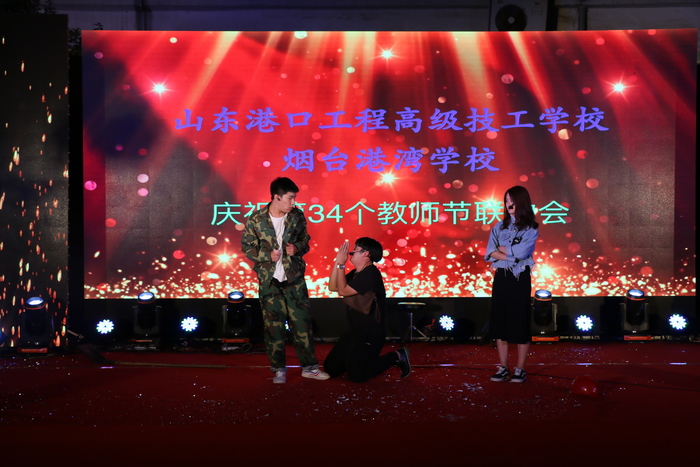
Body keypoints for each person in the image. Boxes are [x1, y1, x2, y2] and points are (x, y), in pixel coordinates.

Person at [241, 177, 329, 384]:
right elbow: (247, 247)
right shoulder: (256, 219)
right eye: (290, 198)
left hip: (294, 278)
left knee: (302, 324)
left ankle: (310, 368)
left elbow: (305, 241)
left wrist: (297, 248)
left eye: (294, 198)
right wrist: (266, 256)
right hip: (269, 280)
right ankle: (279, 369)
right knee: (274, 327)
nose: (293, 202)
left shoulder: (297, 216)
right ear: (276, 197)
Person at [324, 237, 411, 382]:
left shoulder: (370, 273)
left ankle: (397, 356)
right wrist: (337, 262)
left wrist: (341, 264)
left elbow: (343, 291)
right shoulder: (356, 273)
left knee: (357, 376)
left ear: (366, 253)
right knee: (331, 368)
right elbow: (334, 287)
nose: (351, 252)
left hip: (369, 334)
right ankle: (357, 361)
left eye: (356, 249)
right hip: (354, 332)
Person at [485, 185, 539, 383]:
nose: (509, 204)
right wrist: (508, 254)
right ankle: (503, 367)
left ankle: (520, 368)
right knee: (500, 321)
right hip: (502, 276)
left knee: (519, 321)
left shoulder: (531, 228)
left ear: (521, 202)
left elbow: (522, 253)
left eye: (512, 200)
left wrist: (502, 251)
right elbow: (490, 252)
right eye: (506, 200)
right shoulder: (498, 227)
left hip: (520, 277)